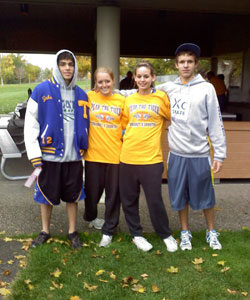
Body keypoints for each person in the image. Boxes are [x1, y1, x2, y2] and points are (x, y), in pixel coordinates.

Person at [157, 43, 226, 251]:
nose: (185, 65)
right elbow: (141, 90)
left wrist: (220, 154)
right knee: (179, 197)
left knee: (206, 197)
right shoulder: (168, 88)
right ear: (176, 65)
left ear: (196, 64)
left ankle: (211, 231)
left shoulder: (207, 88)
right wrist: (110, 91)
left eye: (189, 61)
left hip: (200, 154)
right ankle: (185, 232)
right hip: (177, 155)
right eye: (181, 62)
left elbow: (215, 122)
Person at [24, 49, 89, 249]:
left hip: (73, 158)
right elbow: (31, 125)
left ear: (75, 67)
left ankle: (72, 232)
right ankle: (45, 230)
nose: (67, 68)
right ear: (57, 66)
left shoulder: (81, 93)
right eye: (63, 64)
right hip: (49, 158)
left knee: (73, 196)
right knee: (45, 196)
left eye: (71, 64)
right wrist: (35, 155)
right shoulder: (41, 91)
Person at [119, 61, 178, 252]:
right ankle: (137, 235)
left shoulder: (161, 98)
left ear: (153, 78)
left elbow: (173, 120)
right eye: (139, 76)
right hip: (127, 158)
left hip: (151, 159)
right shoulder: (129, 100)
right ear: (134, 78)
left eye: (146, 76)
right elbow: (124, 125)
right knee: (129, 200)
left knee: (154, 200)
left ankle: (165, 234)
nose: (142, 80)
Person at [83, 67, 125, 247]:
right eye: (100, 82)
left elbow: (127, 127)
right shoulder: (88, 97)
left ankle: (109, 229)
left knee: (113, 196)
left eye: (107, 81)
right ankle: (91, 217)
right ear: (95, 84)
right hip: (93, 155)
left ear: (113, 81)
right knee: (92, 194)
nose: (104, 85)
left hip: (115, 156)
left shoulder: (122, 101)